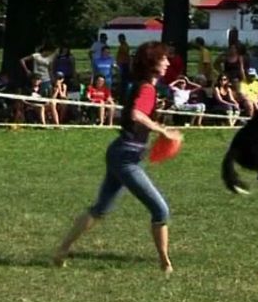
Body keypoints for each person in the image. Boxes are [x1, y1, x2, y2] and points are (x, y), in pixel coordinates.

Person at [53, 41, 182, 273]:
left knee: (100, 209)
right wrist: (162, 130)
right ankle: (166, 265)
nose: (168, 62)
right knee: (160, 210)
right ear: (153, 63)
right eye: (164, 59)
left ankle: (62, 249)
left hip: (122, 151)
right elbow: (136, 114)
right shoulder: (147, 89)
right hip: (126, 157)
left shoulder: (140, 85)